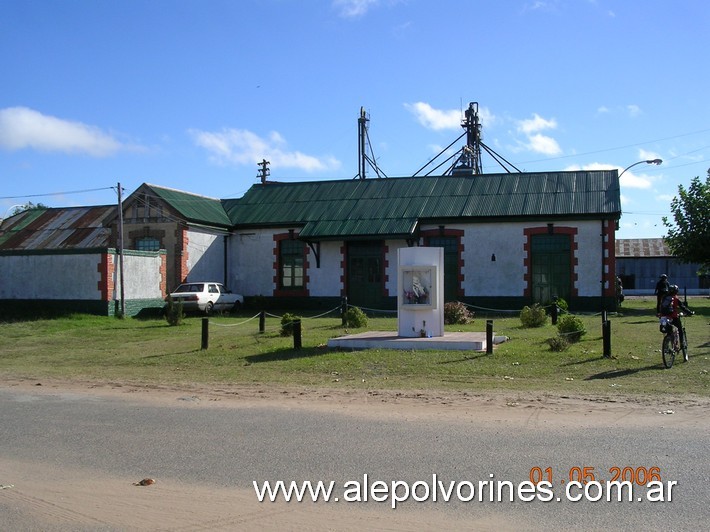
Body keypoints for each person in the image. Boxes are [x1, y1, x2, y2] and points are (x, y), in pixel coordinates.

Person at [659, 285, 693, 361]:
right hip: (673, 317)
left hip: (663, 317)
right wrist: (690, 312)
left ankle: (667, 344)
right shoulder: (676, 298)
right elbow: (683, 307)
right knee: (680, 329)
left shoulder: (664, 297)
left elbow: (660, 306)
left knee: (667, 330)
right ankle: (682, 344)